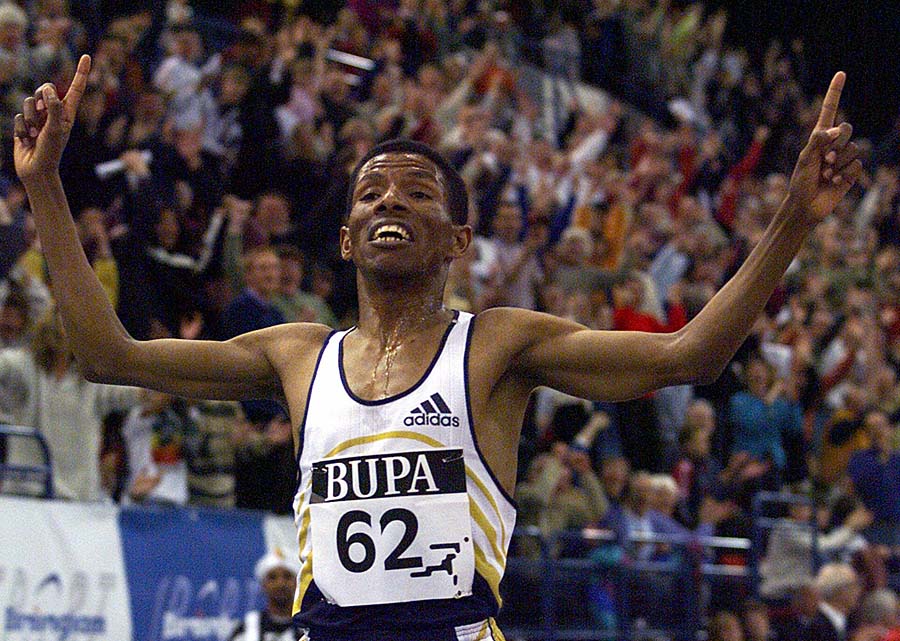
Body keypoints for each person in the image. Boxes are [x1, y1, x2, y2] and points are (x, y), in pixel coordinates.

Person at [13, 55, 861, 640]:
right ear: (345, 237)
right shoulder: (296, 355)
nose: (390, 200)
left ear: (458, 239)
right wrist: (46, 183)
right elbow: (109, 353)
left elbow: (687, 355)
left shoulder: (495, 345)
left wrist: (791, 218)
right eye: (371, 192)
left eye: (417, 192)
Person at [229, 550, 303, 641]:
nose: (280, 583)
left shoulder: (308, 626)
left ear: (297, 583)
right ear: (263, 585)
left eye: (287, 576)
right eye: (273, 577)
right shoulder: (248, 628)